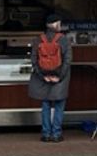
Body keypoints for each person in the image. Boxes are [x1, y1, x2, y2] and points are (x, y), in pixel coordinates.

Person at [29, 10, 72, 142]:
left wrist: (43, 76)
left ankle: (46, 134)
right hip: (59, 78)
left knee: (46, 105)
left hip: (43, 78)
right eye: (59, 23)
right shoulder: (63, 40)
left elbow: (34, 61)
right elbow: (67, 60)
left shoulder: (38, 40)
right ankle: (56, 134)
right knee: (59, 105)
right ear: (56, 24)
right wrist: (59, 76)